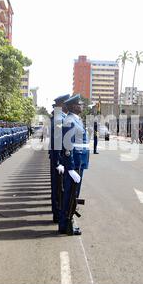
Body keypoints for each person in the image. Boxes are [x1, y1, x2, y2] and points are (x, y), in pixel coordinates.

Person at [60, 95, 89, 236]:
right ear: (72, 107)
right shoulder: (70, 121)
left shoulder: (76, 120)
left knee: (74, 193)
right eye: (80, 104)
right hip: (75, 163)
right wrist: (70, 168)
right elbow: (67, 146)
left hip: (79, 162)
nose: (82, 106)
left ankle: (68, 221)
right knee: (70, 194)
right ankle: (66, 224)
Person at [49, 94, 70, 224]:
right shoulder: (58, 118)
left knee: (58, 187)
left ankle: (58, 212)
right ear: (62, 104)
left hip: (59, 157)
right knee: (58, 188)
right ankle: (57, 213)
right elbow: (57, 141)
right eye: (66, 103)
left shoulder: (60, 117)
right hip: (59, 158)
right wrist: (58, 162)